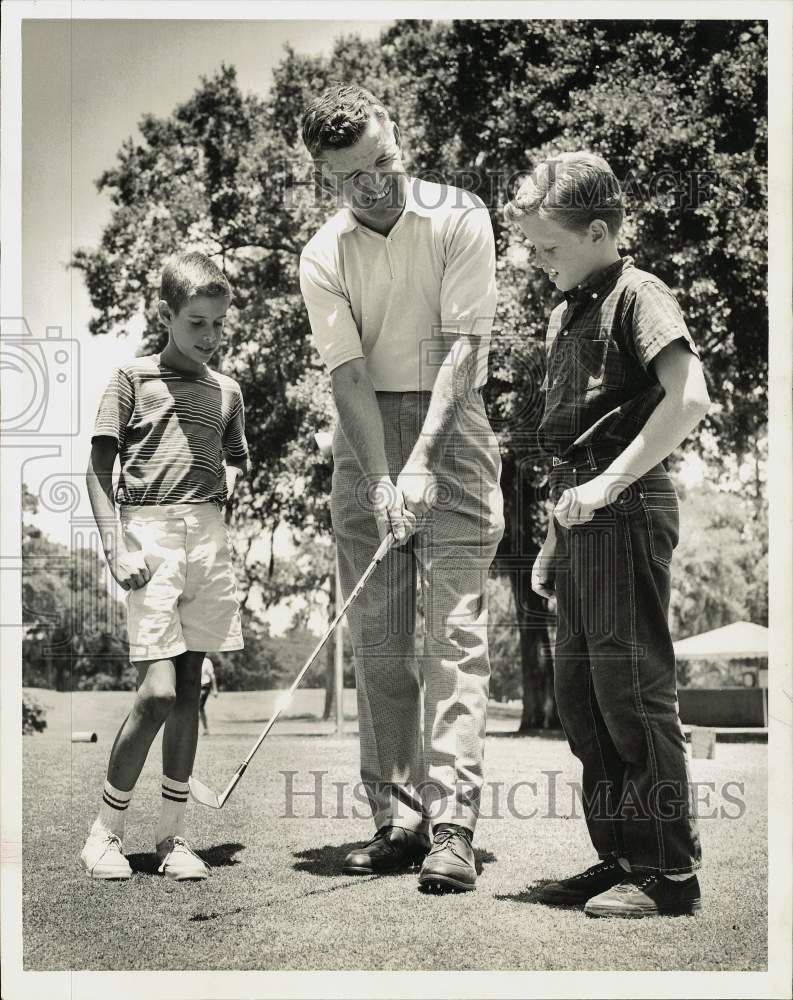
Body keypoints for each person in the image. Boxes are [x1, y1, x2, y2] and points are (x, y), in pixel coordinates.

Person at [299, 85, 504, 893]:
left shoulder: (460, 215)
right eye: (352, 176)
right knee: (380, 642)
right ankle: (397, 820)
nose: (375, 183)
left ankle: (451, 826)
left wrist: (419, 462)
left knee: (452, 633)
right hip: (362, 439)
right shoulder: (322, 254)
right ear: (325, 176)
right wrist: (382, 474)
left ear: (397, 138)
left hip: (454, 429)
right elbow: (346, 376)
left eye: (383, 161)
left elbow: (461, 350)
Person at [503, 152, 709, 917]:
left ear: (598, 231)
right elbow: (574, 437)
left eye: (547, 247)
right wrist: (559, 531)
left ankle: (669, 874)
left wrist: (606, 485)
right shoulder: (568, 310)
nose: (536, 261)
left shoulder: (637, 292)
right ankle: (621, 856)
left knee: (632, 693)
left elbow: (689, 398)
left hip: (624, 509)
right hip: (583, 517)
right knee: (583, 698)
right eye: (530, 248)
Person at [79, 251, 249, 881]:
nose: (210, 336)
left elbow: (234, 457)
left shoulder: (227, 390)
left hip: (207, 533)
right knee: (157, 692)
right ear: (165, 315)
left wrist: (229, 474)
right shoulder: (131, 378)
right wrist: (115, 545)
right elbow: (100, 467)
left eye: (219, 324)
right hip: (146, 530)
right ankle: (105, 833)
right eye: (197, 322)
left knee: (189, 691)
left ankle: (173, 838)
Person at [199, 656, 219, 735]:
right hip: (195, 687)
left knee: (198, 706)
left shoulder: (207, 661)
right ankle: (205, 729)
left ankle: (204, 729)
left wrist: (215, 690)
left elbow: (212, 676)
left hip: (204, 686)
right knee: (200, 708)